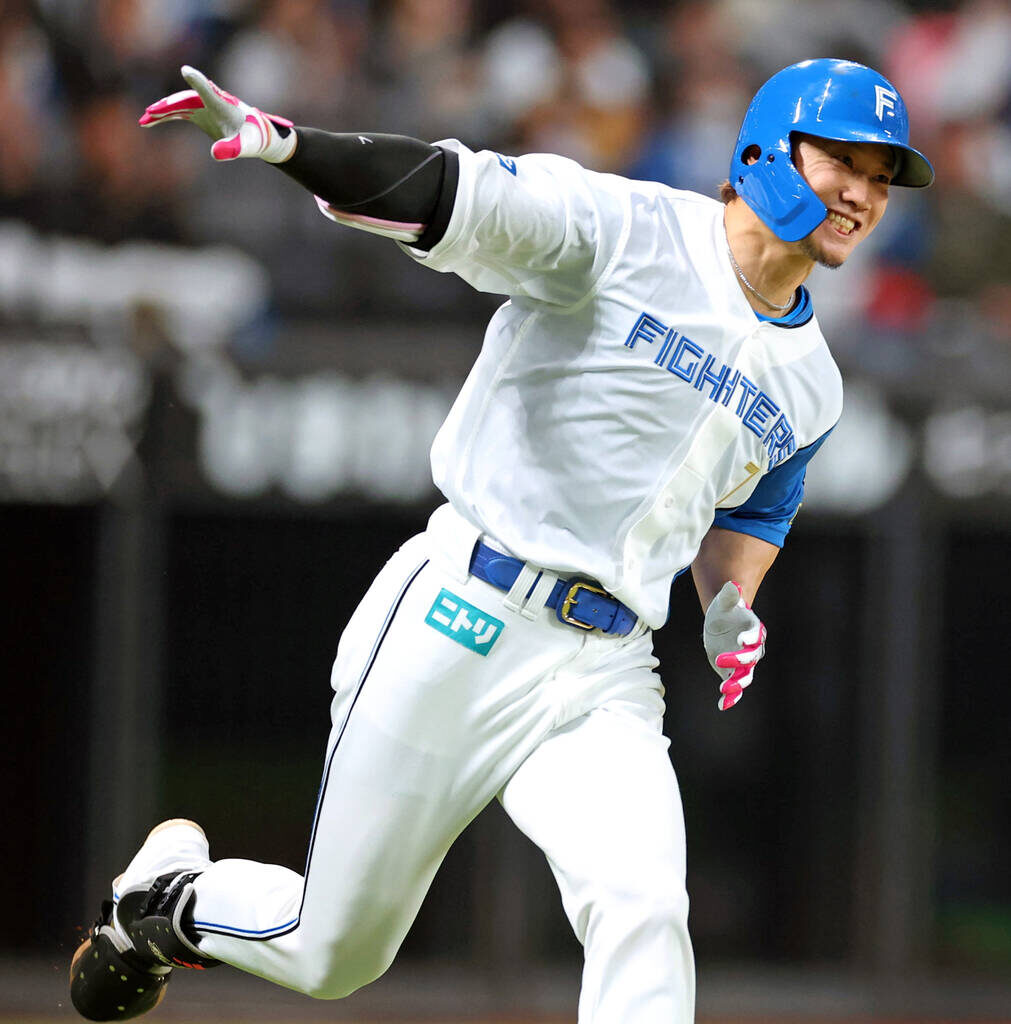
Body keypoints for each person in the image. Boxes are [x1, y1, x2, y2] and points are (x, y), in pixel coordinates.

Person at [70, 58, 933, 1023]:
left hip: (606, 667)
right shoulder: (623, 228)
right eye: (842, 160)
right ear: (768, 148)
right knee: (332, 952)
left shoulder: (814, 381)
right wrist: (289, 145)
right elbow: (451, 193)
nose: (862, 192)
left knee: (643, 908)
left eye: (882, 174)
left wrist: (731, 603)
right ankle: (170, 905)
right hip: (464, 611)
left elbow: (750, 516)